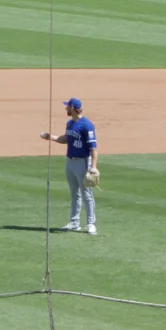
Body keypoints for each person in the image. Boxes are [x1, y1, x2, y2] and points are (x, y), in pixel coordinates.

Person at [38, 97, 97, 234]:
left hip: (83, 162)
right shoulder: (70, 123)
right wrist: (50, 137)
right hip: (70, 161)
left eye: (67, 107)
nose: (66, 108)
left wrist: (93, 167)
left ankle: (91, 223)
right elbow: (66, 139)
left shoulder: (87, 125)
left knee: (86, 193)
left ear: (73, 108)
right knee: (74, 193)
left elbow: (94, 148)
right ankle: (74, 222)